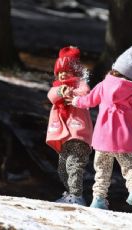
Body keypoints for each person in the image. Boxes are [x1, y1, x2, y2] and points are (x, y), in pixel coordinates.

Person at [69, 44, 132, 212]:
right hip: (124, 138)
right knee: (131, 166)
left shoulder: (103, 85)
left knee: (101, 169)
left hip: (103, 137)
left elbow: (89, 100)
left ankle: (98, 199)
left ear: (115, 67)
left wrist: (75, 101)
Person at [46, 46, 93, 206]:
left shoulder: (80, 84)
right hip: (64, 136)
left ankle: (77, 195)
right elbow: (51, 96)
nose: (63, 74)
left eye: (67, 71)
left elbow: (86, 93)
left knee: (74, 165)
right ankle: (70, 193)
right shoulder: (56, 87)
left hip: (78, 134)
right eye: (60, 71)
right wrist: (61, 91)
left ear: (76, 72)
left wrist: (71, 93)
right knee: (62, 167)